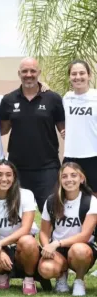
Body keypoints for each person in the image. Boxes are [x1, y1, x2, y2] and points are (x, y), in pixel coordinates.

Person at [0, 57, 65, 211]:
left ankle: (50, 237)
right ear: (19, 73)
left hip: (47, 168)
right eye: (25, 71)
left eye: (32, 71)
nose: (28, 74)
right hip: (17, 168)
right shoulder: (8, 100)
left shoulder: (53, 98)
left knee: (51, 211)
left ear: (39, 73)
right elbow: (3, 129)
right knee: (15, 214)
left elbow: (64, 129)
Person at [0, 159, 41, 295]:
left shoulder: (26, 195)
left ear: (14, 177)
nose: (4, 179)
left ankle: (29, 278)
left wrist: (0, 244)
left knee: (28, 241)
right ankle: (3, 275)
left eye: (8, 175)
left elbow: (25, 229)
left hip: (21, 246)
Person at [38, 162, 97, 296]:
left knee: (79, 250)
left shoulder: (91, 201)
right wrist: (47, 247)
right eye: (64, 176)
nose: (69, 179)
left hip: (81, 248)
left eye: (73, 175)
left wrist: (57, 243)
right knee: (46, 269)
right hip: (57, 250)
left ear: (81, 179)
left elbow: (85, 236)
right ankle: (61, 277)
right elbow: (43, 231)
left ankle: (79, 280)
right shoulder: (52, 201)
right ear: (60, 180)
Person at [62, 60, 97, 196]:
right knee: (70, 196)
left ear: (89, 75)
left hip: (93, 155)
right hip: (71, 156)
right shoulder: (66, 98)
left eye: (82, 73)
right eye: (74, 74)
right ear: (69, 77)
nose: (78, 77)